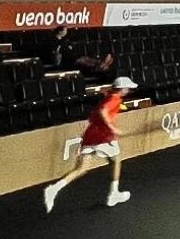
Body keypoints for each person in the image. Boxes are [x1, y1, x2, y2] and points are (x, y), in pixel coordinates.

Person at [44, 76, 137, 213]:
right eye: (127, 88)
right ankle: (113, 194)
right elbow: (103, 111)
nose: (128, 90)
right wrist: (112, 128)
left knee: (82, 168)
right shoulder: (115, 98)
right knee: (116, 160)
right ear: (121, 89)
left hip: (90, 135)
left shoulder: (108, 95)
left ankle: (54, 188)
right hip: (103, 137)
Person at [48, 25, 114, 74]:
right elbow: (57, 52)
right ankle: (99, 66)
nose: (66, 32)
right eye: (65, 30)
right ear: (60, 31)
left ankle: (101, 63)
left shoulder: (65, 40)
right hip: (67, 60)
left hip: (74, 56)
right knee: (82, 59)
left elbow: (71, 48)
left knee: (85, 58)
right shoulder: (54, 41)